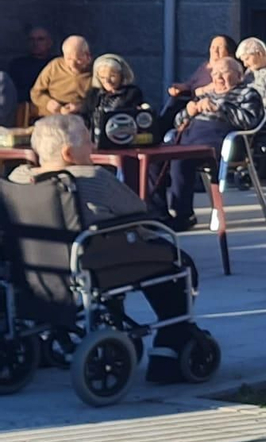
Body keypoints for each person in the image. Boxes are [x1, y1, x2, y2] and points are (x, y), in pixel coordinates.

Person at [8, 114, 198, 380]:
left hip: (35, 265)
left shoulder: (18, 179)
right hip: (91, 263)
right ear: (68, 152)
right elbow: (138, 212)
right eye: (87, 140)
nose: (94, 146)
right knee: (177, 261)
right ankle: (170, 345)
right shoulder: (92, 177)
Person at [158, 57, 265, 229]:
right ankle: (158, 212)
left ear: (239, 76)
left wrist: (220, 108)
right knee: (153, 160)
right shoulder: (206, 93)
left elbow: (250, 121)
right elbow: (179, 123)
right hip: (190, 136)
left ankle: (183, 215)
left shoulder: (248, 94)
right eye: (215, 73)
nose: (218, 77)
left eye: (224, 72)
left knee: (180, 159)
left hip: (221, 139)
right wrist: (188, 111)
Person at [30, 35, 94, 116]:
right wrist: (48, 103)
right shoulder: (55, 66)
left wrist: (80, 107)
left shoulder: (95, 72)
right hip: (49, 115)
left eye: (78, 60)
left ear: (87, 56)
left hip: (78, 118)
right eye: (68, 59)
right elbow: (35, 92)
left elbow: (98, 101)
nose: (72, 64)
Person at [168, 35, 236, 100]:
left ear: (229, 52)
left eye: (220, 47)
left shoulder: (231, 69)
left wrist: (200, 91)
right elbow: (190, 84)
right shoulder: (205, 67)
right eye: (213, 47)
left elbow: (221, 87)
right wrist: (180, 88)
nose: (215, 50)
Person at [8, 26, 54, 100]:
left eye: (40, 39)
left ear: (49, 43)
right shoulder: (17, 65)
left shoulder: (58, 65)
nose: (35, 43)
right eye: (31, 39)